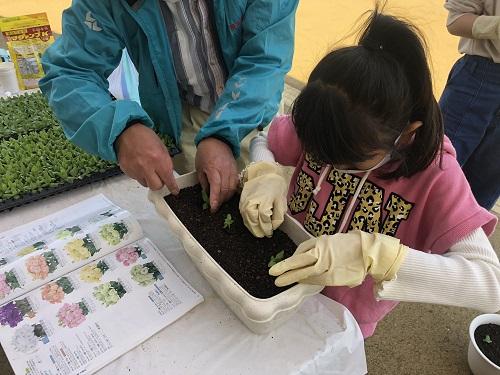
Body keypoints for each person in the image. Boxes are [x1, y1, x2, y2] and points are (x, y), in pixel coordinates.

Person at [238, 10, 500, 338]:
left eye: (348, 161)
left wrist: (376, 255)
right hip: (279, 281)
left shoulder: (435, 178)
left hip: (343, 317)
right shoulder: (327, 122)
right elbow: (267, 139)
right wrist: (265, 171)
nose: (329, 165)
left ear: (406, 134)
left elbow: (489, 284)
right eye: (319, 155)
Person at [39, 0, 298, 211]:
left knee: (271, 202)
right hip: (185, 112)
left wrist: (221, 133)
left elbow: (265, 60)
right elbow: (70, 71)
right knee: (207, 204)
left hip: (257, 108)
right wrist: (120, 130)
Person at [439, 0, 500, 210]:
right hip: (479, 78)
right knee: (434, 168)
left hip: (478, 79)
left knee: (480, 197)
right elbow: (455, 20)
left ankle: (463, 242)